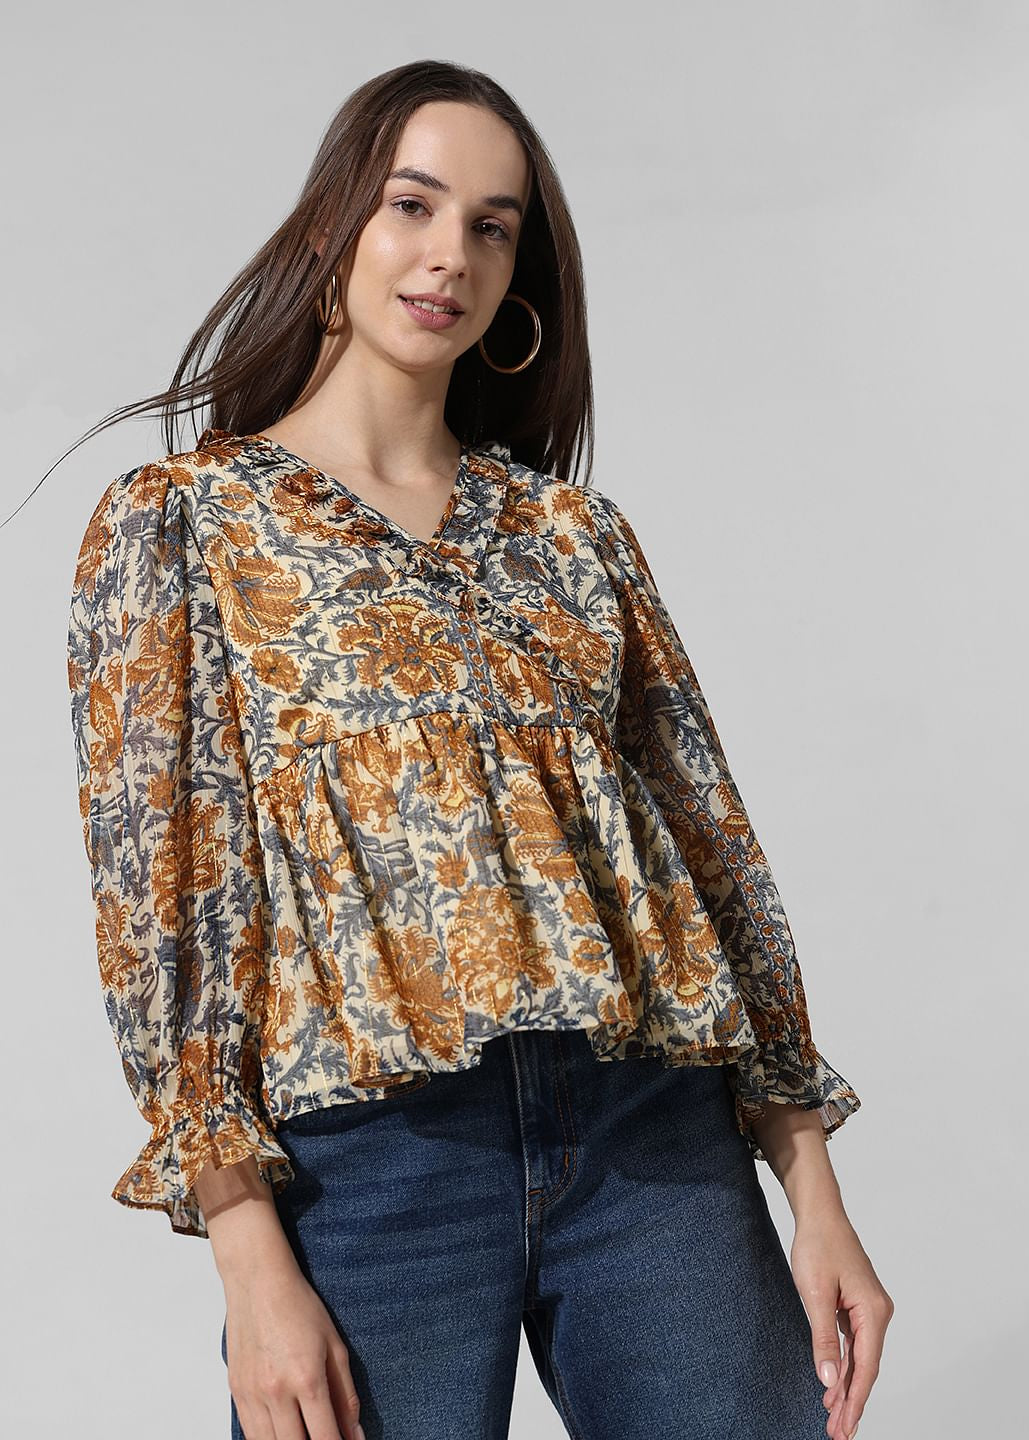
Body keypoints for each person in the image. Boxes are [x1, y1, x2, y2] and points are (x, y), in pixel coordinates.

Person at [65, 59, 892, 1440]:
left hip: (649, 1139)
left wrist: (813, 1189)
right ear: (334, 226)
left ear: (518, 279)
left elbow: (712, 858)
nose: (450, 252)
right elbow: (165, 903)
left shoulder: (573, 537)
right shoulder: (186, 523)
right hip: (368, 1160)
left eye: (492, 227)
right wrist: (249, 1255)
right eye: (414, 204)